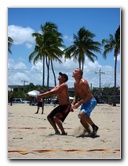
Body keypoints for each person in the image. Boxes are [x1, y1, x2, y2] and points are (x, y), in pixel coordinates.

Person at [71, 68, 99, 136]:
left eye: (75, 71)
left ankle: (94, 127)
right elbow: (76, 95)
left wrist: (79, 103)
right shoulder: (75, 83)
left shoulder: (83, 82)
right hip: (84, 101)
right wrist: (73, 103)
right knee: (82, 120)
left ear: (79, 74)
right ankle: (89, 132)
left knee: (82, 114)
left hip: (91, 101)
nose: (73, 72)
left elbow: (89, 95)